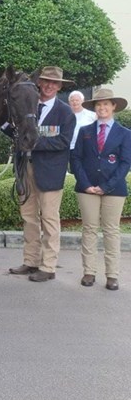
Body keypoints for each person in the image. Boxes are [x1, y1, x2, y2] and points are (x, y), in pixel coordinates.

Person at [8, 66, 76, 283]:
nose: (48, 85)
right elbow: (17, 131)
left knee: (49, 219)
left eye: (54, 83)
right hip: (25, 168)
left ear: (60, 86)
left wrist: (34, 142)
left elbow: (63, 141)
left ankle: (48, 266)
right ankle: (31, 261)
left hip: (49, 173)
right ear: (39, 83)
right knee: (28, 218)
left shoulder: (64, 112)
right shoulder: (29, 105)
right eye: (45, 81)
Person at [70, 88, 131, 291]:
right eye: (98, 104)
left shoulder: (124, 134)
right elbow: (76, 159)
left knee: (111, 231)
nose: (102, 107)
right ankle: (89, 272)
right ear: (94, 108)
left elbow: (125, 163)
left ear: (113, 106)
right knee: (89, 229)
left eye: (106, 104)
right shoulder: (85, 131)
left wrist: (106, 186)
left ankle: (112, 275)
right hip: (86, 188)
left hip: (114, 189)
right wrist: (86, 184)